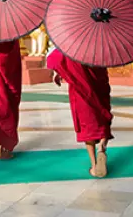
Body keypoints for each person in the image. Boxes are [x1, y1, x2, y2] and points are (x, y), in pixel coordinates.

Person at [46, 48, 113, 178]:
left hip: (80, 92)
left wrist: (59, 73)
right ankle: (102, 149)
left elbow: (54, 59)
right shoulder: (101, 43)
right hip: (100, 85)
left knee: (87, 126)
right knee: (103, 117)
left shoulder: (73, 45)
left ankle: (94, 166)